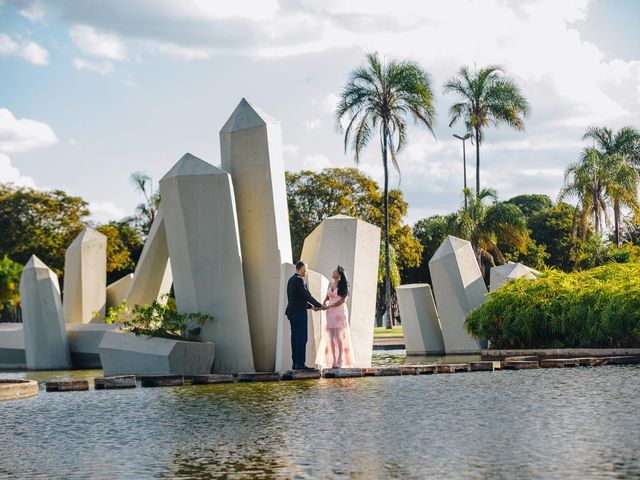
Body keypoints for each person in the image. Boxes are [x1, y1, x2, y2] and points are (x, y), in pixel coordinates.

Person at [285, 261, 323, 370]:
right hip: (299, 313)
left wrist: (311, 307)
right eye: (306, 269)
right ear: (302, 268)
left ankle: (295, 364)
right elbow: (306, 296)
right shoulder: (300, 280)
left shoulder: (291, 280)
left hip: (291, 312)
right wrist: (319, 305)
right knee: (302, 338)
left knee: (295, 338)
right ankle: (300, 364)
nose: (306, 272)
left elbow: (297, 299)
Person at [316, 265, 355, 369]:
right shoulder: (330, 283)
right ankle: (334, 359)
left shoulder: (344, 285)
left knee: (339, 336)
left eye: (336, 271)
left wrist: (331, 306)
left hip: (339, 312)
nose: (333, 272)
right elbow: (327, 297)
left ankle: (340, 359)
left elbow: (343, 300)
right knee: (331, 336)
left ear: (340, 274)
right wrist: (323, 304)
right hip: (329, 312)